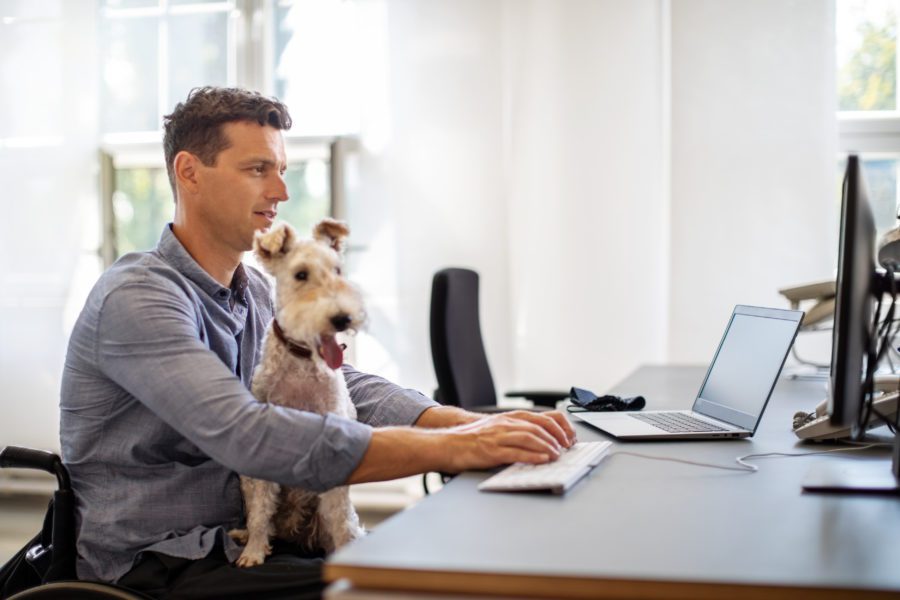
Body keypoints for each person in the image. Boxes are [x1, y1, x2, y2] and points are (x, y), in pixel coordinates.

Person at [59, 86, 575, 599]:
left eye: (281, 170)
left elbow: (336, 382)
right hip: (161, 559)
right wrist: (455, 449)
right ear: (190, 172)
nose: (281, 192)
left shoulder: (259, 288)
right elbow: (247, 434)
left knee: (450, 564)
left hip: (255, 540)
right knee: (411, 589)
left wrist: (470, 424)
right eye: (258, 169)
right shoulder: (137, 298)